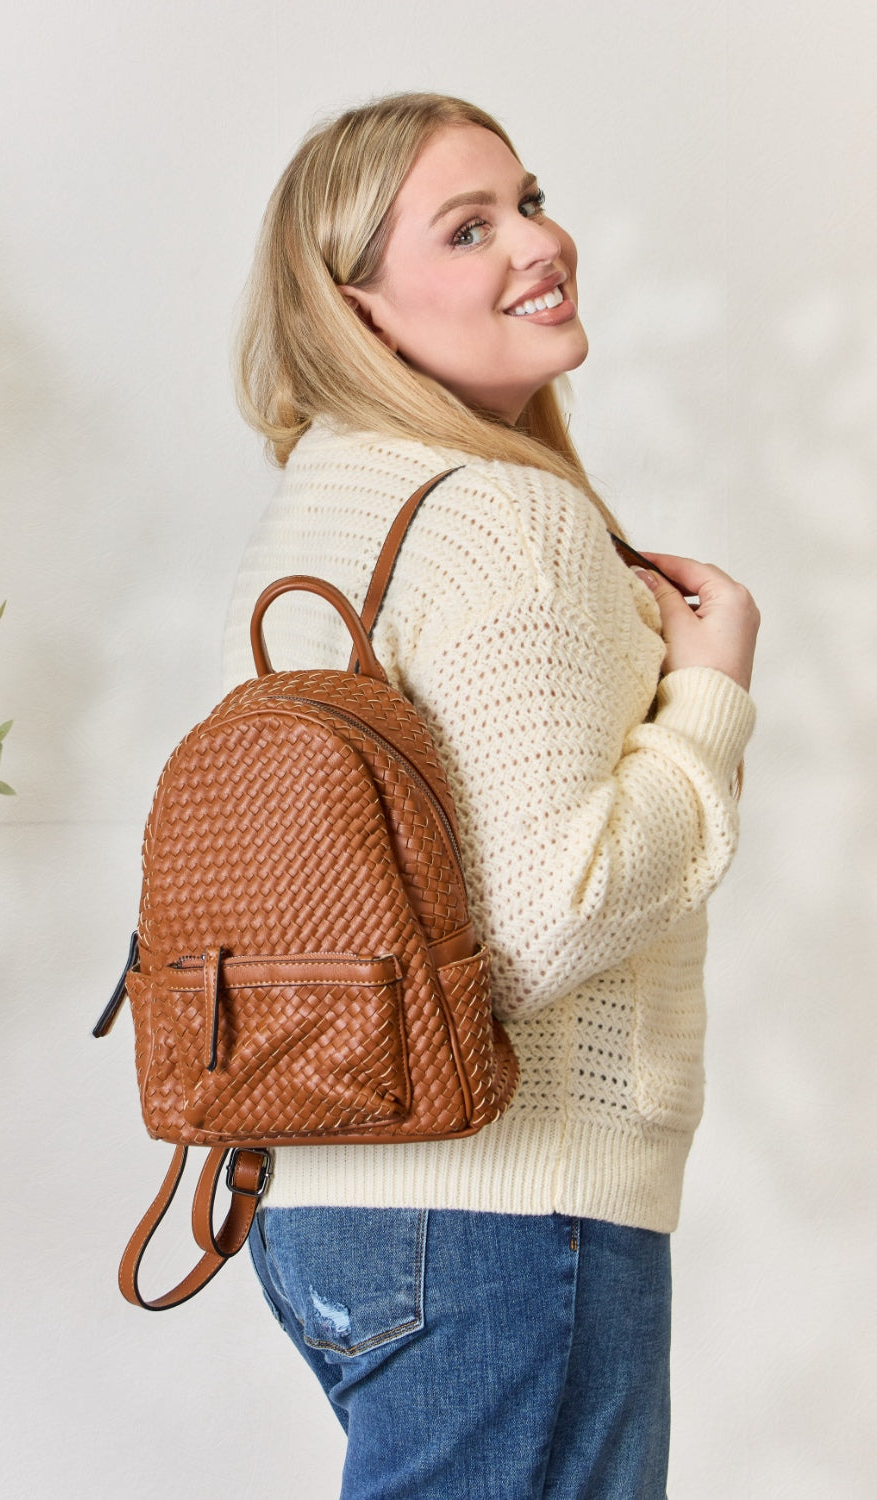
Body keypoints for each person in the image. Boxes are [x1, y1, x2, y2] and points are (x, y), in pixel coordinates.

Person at [222, 92, 759, 1500]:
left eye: (527, 197)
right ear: (365, 310)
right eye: (471, 229)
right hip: (504, 1208)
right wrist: (707, 695)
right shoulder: (506, 513)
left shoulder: (323, 498)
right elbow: (539, 921)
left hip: (319, 1201)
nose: (540, 241)